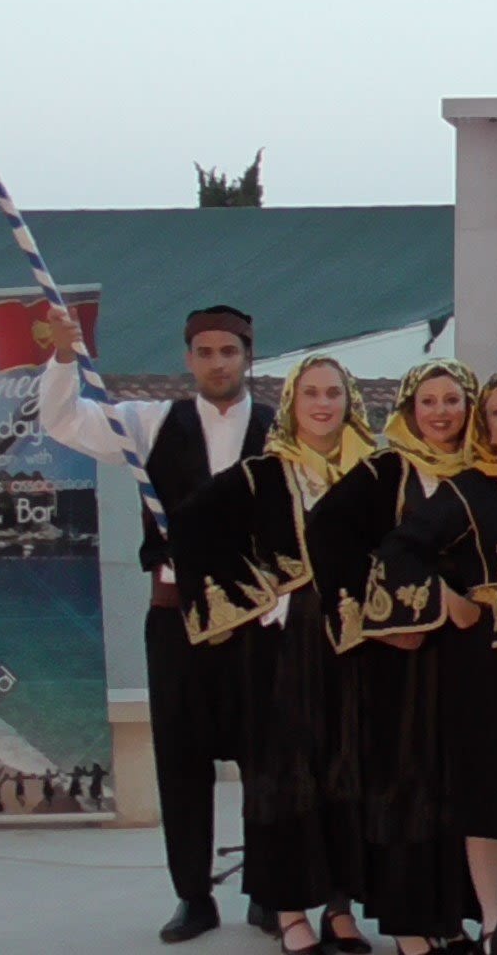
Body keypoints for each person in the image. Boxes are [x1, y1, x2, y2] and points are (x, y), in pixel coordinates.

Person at [37, 303, 276, 944]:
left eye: (229, 352)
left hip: (260, 621)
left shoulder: (279, 430)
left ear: (247, 357)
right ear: (188, 359)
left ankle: (271, 892)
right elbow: (63, 420)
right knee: (181, 757)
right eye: (206, 353)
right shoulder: (149, 423)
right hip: (177, 620)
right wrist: (63, 356)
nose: (218, 364)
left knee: (269, 756)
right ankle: (193, 896)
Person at [362, 368, 497, 948]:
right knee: (486, 789)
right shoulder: (468, 488)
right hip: (484, 662)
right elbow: (400, 548)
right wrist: (445, 598)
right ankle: (491, 918)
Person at [171, 355, 377, 955]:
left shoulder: (372, 471)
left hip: (354, 645)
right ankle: (289, 912)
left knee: (348, 772)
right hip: (285, 651)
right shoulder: (262, 474)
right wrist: (259, 592)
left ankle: (340, 907)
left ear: (349, 400)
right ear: (291, 403)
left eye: (333, 393)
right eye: (310, 393)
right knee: (286, 777)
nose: (322, 404)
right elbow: (190, 527)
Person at [306, 358, 481, 954]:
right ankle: (408, 924)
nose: (441, 412)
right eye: (428, 401)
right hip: (401, 661)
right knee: (406, 786)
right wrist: (385, 612)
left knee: (455, 783)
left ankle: (448, 916)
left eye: (452, 400)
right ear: (409, 409)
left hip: (464, 655)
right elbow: (326, 532)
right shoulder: (386, 471)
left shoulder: (482, 470)